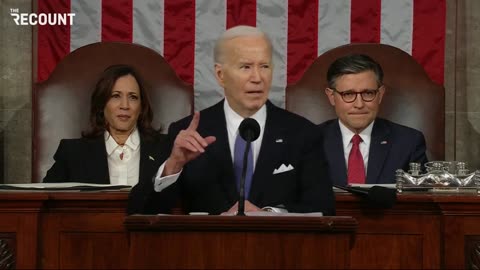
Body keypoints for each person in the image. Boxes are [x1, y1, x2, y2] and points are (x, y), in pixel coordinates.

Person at [128, 25, 335, 216]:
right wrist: (172, 166)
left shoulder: (302, 133)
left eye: (264, 66)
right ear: (220, 75)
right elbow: (140, 212)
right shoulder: (188, 133)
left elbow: (324, 211)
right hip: (206, 252)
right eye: (246, 67)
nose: (257, 77)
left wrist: (269, 215)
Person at [43, 64, 169, 191]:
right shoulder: (72, 153)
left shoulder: (167, 149)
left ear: (141, 107)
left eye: (133, 97)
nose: (125, 105)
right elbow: (43, 201)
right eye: (116, 96)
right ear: (102, 103)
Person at [319, 54, 428, 186]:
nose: (359, 104)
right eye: (348, 94)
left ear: (380, 95)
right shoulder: (309, 142)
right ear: (331, 96)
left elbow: (420, 201)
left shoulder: (409, 142)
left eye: (368, 93)